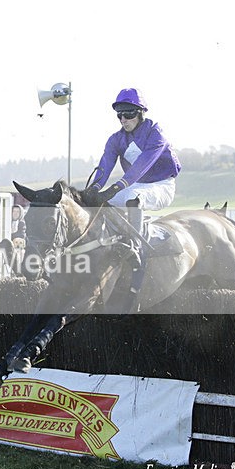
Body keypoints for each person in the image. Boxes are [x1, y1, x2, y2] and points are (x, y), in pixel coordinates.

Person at [82, 88, 181, 311]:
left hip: (161, 185)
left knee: (132, 198)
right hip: (135, 185)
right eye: (119, 115)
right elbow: (105, 165)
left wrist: (119, 186)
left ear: (140, 113)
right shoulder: (116, 139)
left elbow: (143, 164)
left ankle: (136, 248)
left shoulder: (156, 133)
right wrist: (95, 188)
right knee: (103, 202)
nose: (123, 120)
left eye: (128, 115)